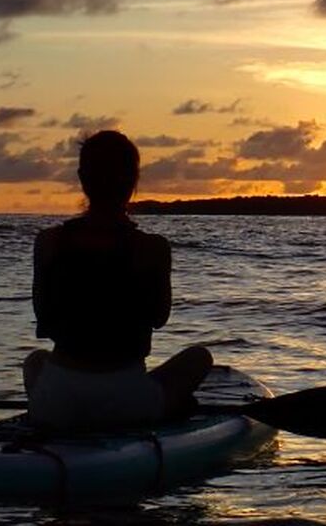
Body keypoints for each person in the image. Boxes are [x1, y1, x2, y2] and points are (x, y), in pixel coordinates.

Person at [23, 130, 212, 431]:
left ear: (82, 179)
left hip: (57, 403)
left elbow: (43, 317)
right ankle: (164, 408)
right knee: (200, 358)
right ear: (133, 181)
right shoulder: (153, 248)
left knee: (35, 361)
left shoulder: (48, 242)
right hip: (127, 403)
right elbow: (159, 318)